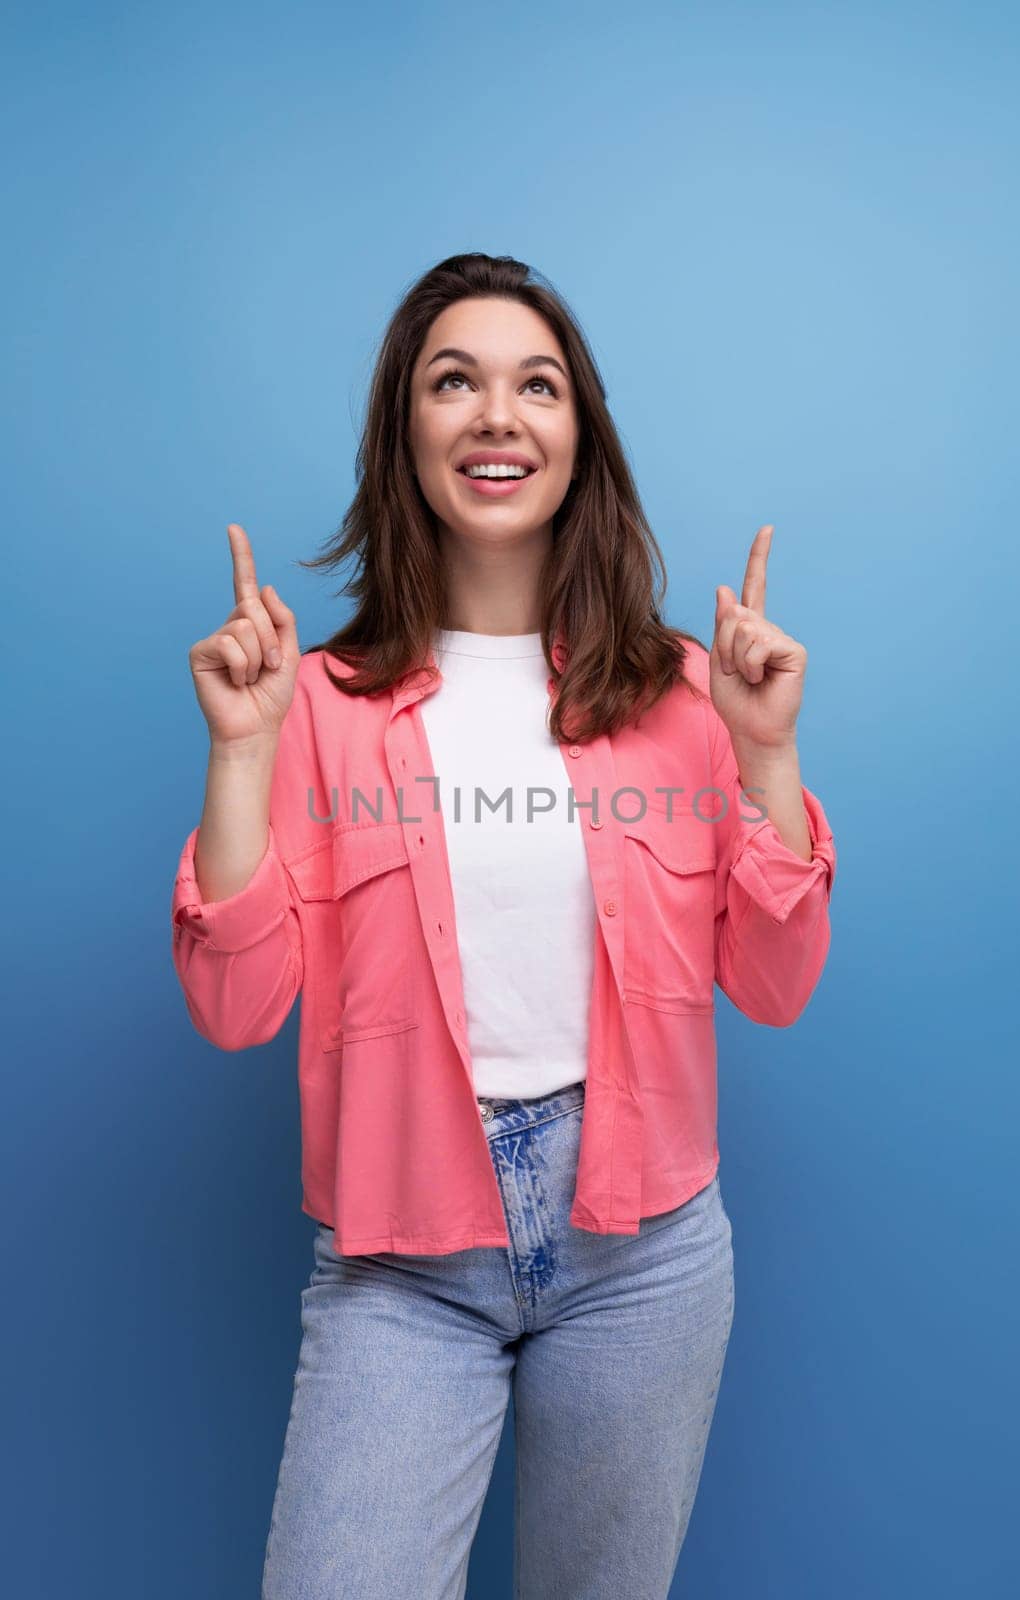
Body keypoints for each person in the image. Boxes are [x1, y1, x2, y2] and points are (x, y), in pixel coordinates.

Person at [171, 252, 837, 1599]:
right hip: (400, 1259)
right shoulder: (316, 706)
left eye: (536, 385)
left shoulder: (690, 692)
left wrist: (769, 762)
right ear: (404, 430)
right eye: (452, 381)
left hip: (644, 1255)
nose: (496, 414)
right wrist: (241, 758)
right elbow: (236, 1010)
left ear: (577, 437)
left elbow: (775, 983)